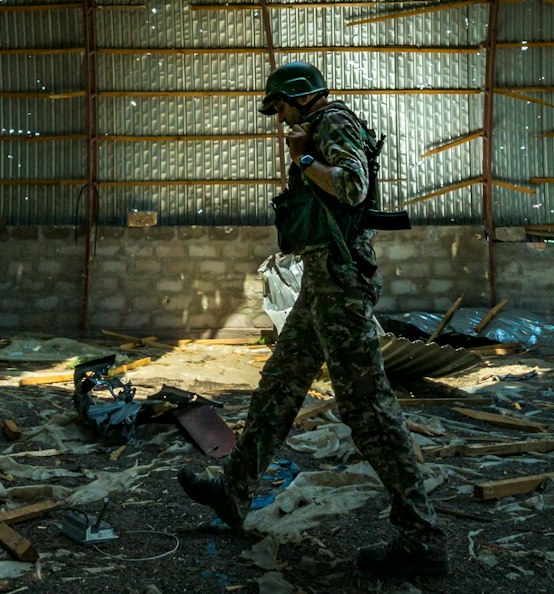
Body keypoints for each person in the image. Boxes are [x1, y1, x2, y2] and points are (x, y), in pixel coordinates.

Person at [177, 61, 447, 578]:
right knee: (278, 390)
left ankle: (422, 540)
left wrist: (302, 161)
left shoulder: (332, 124)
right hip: (322, 284)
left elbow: (351, 188)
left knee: (370, 412)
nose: (277, 118)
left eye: (279, 106)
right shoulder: (318, 126)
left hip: (340, 287)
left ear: (301, 97)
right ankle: (233, 494)